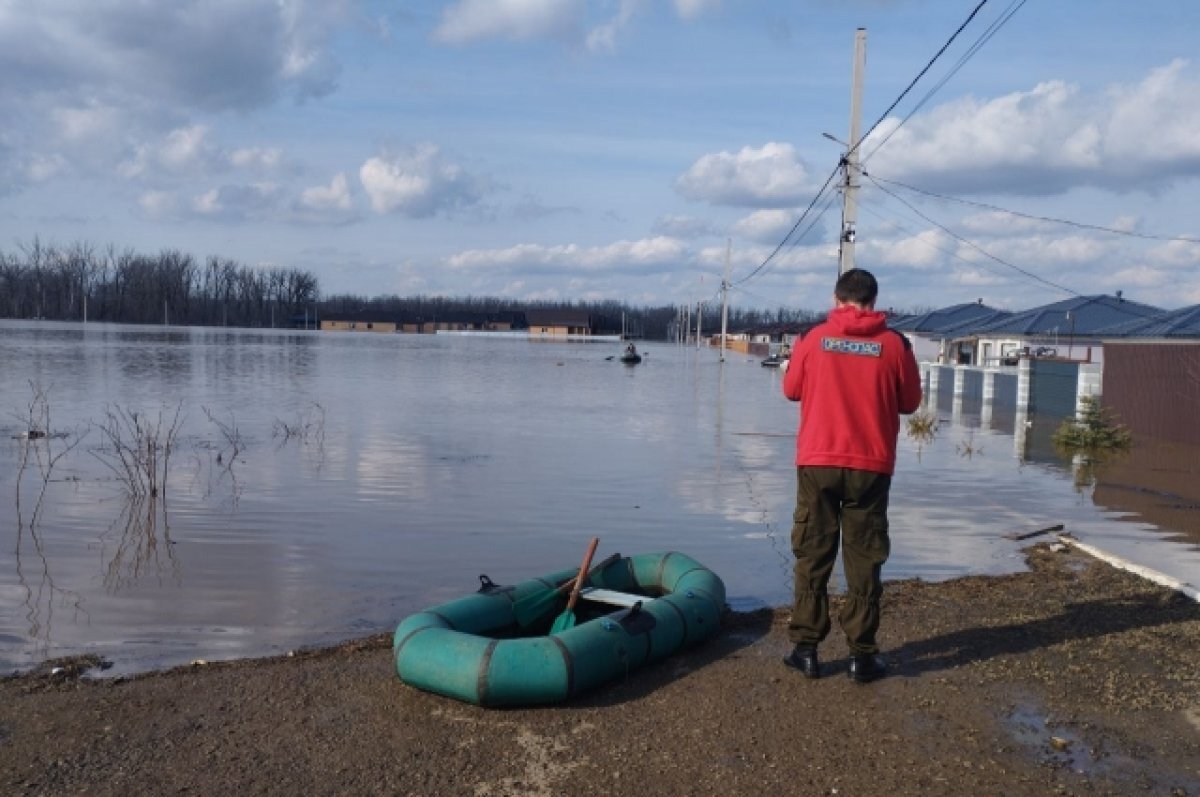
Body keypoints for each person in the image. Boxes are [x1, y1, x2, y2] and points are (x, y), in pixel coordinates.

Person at [780, 268, 922, 684]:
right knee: (864, 556)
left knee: (813, 552)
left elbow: (791, 390)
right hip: (871, 465)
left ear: (836, 298)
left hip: (818, 461)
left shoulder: (812, 339)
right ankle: (862, 655)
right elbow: (910, 402)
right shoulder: (895, 345)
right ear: (873, 302)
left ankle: (806, 649)